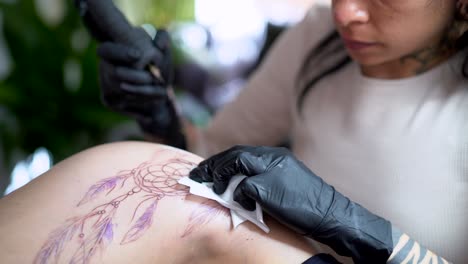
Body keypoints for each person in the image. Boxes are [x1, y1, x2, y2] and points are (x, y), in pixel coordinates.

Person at [94, 0, 468, 263]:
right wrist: (161, 118)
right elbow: (209, 158)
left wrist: (359, 228)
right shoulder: (319, 38)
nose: (344, 12)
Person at [0, 141, 335, 264]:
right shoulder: (314, 42)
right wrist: (163, 107)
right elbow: (212, 141)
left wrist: (388, 245)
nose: (348, 12)